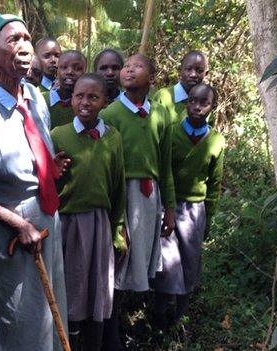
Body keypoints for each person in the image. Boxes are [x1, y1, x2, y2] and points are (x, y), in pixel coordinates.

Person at [0, 12, 69, 351]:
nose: (24, 46)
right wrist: (19, 223)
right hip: (7, 235)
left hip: (47, 221)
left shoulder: (35, 99)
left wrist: (50, 167)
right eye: (13, 40)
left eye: (26, 38)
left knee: (51, 314)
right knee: (19, 322)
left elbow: (35, 153)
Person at [99, 53, 176, 350]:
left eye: (138, 66)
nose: (129, 69)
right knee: (118, 259)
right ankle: (109, 331)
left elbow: (165, 163)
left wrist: (170, 207)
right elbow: (106, 167)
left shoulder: (161, 115)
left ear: (152, 78)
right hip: (122, 195)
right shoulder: (110, 115)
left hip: (149, 197)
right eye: (126, 66)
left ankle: (124, 321)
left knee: (138, 261)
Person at [50, 73, 126, 351]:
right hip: (68, 224)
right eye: (79, 96)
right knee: (70, 287)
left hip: (99, 224)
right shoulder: (58, 135)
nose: (85, 102)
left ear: (105, 102)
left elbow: (118, 185)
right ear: (70, 100)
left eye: (93, 97)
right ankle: (66, 340)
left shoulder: (113, 138)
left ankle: (94, 342)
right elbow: (49, 182)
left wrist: (117, 229)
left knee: (98, 288)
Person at [151, 83, 224, 329]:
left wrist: (209, 219)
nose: (197, 107)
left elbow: (214, 183)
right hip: (168, 206)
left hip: (195, 210)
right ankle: (159, 315)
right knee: (167, 262)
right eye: (193, 101)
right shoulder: (171, 133)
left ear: (212, 107)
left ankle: (180, 318)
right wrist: (165, 204)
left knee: (190, 262)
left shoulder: (216, 141)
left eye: (204, 103)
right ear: (186, 102)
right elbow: (163, 170)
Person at [152, 50, 209, 123]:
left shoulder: (206, 103)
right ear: (180, 70)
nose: (193, 74)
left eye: (199, 71)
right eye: (188, 69)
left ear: (206, 74)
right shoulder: (163, 97)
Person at [42, 50, 86, 129]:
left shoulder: (86, 104)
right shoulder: (41, 100)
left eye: (77, 68)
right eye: (64, 67)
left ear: (85, 73)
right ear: (57, 71)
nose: (69, 72)